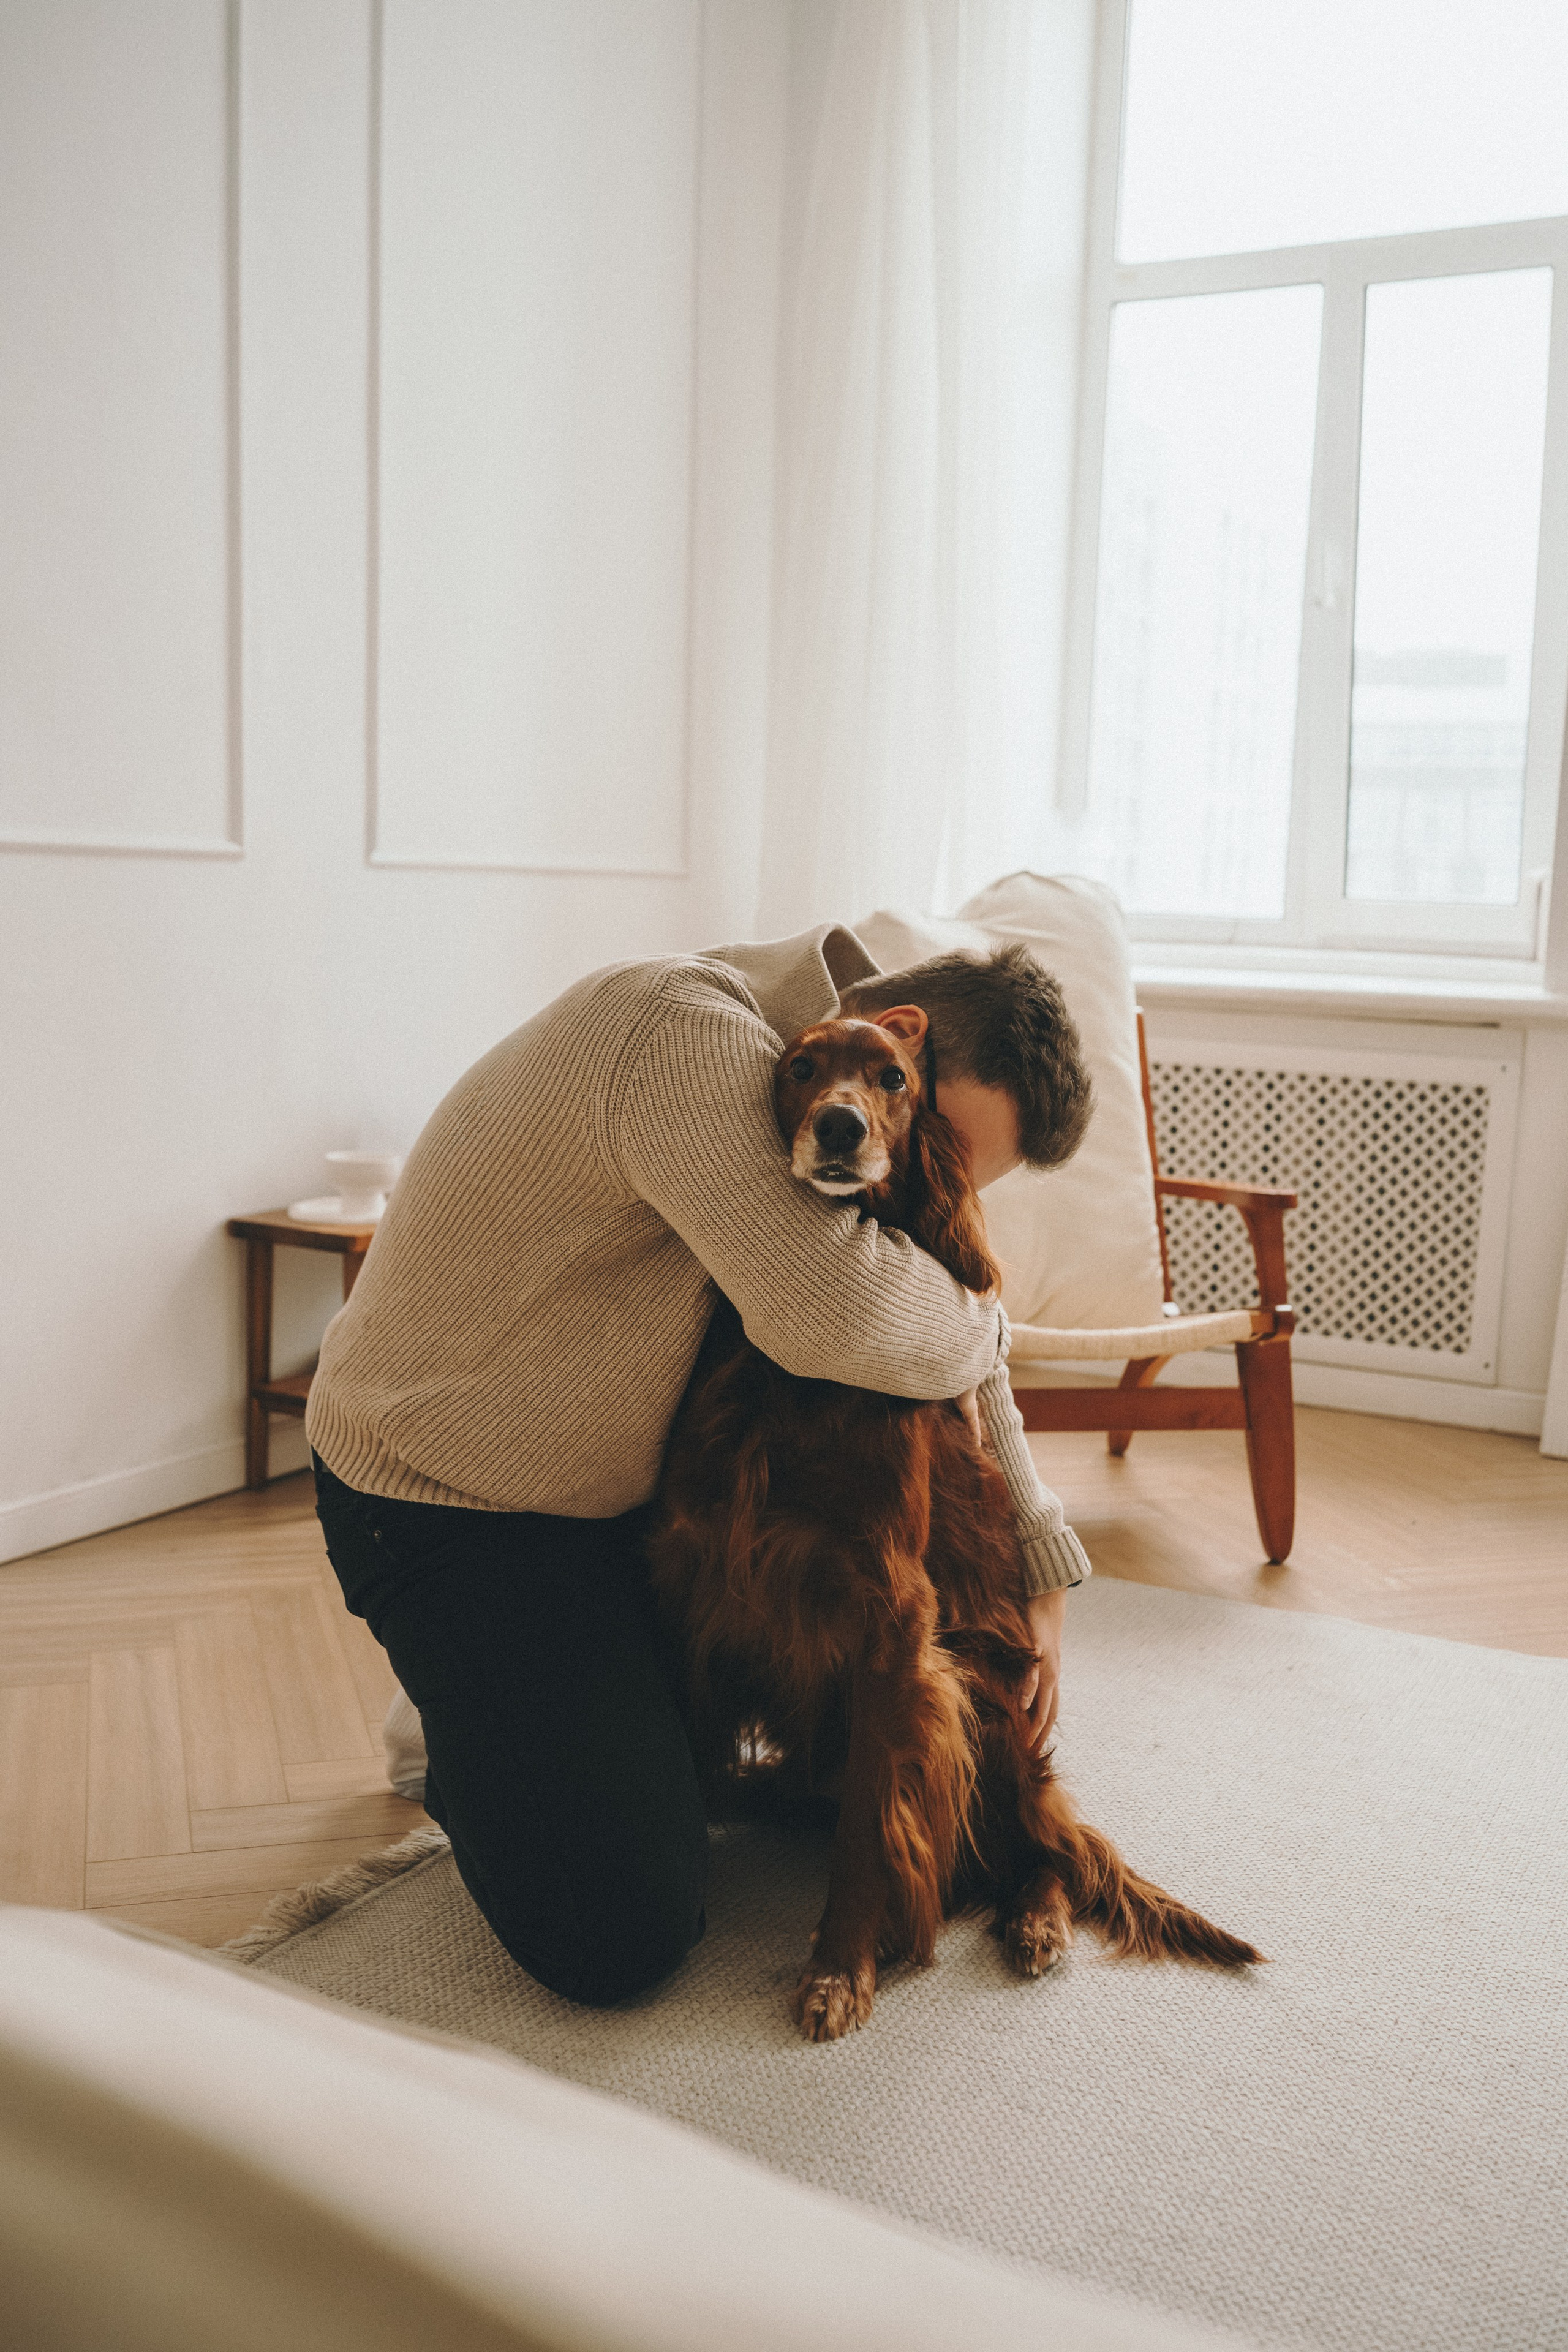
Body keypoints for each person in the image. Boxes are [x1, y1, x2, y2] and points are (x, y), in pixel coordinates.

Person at [307, 924, 1093, 2007]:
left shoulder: (847, 1031)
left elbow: (933, 1293)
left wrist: (1038, 1553)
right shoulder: (681, 1036)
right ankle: (464, 1718)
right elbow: (849, 1313)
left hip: (607, 1499)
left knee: (736, 1776)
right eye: (941, 1139)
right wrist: (984, 1326)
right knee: (616, 1932)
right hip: (441, 1494)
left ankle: (536, 1705)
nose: (932, 1173)